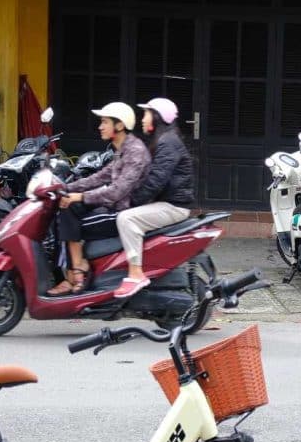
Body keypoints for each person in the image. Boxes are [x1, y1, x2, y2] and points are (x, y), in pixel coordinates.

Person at [48, 101, 151, 296]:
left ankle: (76, 272)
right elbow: (100, 177)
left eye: (104, 122)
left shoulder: (135, 152)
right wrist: (64, 187)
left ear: (119, 125)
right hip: (112, 206)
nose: (100, 126)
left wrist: (80, 196)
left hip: (121, 211)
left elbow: (117, 191)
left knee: (70, 218)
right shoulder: (122, 150)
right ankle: (74, 269)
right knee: (66, 208)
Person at [112, 97, 194, 299]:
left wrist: (130, 202)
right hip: (166, 202)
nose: (142, 119)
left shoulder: (168, 142)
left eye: (146, 114)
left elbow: (155, 181)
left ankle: (135, 273)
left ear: (158, 117)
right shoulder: (163, 140)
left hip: (174, 206)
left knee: (126, 218)